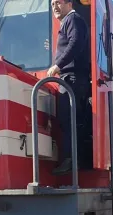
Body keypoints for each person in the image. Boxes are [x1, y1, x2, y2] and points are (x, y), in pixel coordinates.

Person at [48, 0, 91, 175]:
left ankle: (70, 160)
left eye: (58, 2)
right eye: (52, 4)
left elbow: (75, 43)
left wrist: (57, 65)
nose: (55, 7)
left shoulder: (72, 20)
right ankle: (72, 159)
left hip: (71, 78)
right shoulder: (69, 21)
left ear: (69, 3)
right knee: (70, 120)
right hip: (71, 78)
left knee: (68, 119)